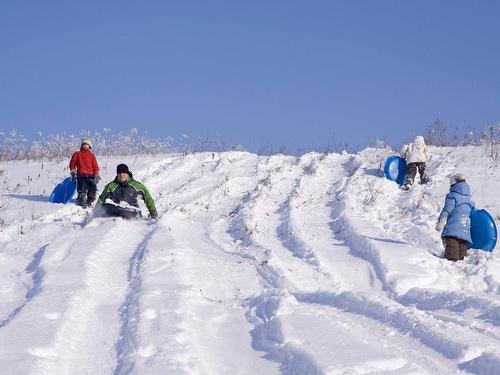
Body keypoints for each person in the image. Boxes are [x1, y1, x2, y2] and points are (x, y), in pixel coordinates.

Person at [435, 173, 475, 261]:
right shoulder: (469, 198)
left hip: (453, 225)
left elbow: (447, 209)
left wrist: (441, 220)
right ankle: (462, 258)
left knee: (452, 241)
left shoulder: (452, 196)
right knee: (462, 243)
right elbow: (473, 211)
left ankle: (452, 259)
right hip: (465, 226)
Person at [69, 139, 100, 208]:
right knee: (82, 189)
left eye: (87, 144)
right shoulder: (77, 154)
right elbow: (72, 164)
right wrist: (73, 172)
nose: (85, 146)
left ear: (89, 146)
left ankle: (90, 201)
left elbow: (95, 166)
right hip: (81, 175)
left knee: (93, 189)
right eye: (84, 144)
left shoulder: (92, 156)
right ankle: (81, 200)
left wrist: (96, 175)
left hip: (91, 175)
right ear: (81, 146)